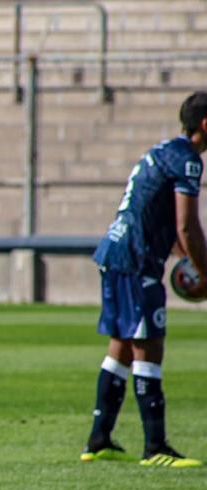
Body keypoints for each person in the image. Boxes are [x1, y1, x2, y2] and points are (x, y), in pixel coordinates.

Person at [81, 91, 207, 468]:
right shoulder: (187, 162)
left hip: (116, 252)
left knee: (121, 344)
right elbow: (187, 225)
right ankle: (156, 447)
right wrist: (204, 270)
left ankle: (98, 439)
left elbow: (159, 219)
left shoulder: (165, 149)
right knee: (149, 345)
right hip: (136, 261)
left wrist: (187, 258)